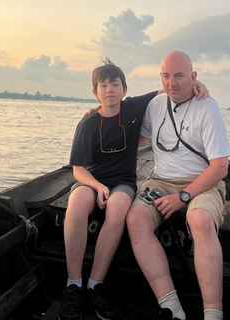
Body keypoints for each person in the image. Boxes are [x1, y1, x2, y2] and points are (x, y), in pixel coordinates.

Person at [58, 58, 208, 320]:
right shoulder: (88, 123)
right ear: (95, 93)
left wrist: (196, 84)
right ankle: (73, 284)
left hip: (123, 181)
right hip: (92, 180)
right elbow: (78, 169)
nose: (110, 90)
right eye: (103, 86)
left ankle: (95, 284)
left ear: (125, 89)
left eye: (115, 84)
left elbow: (169, 90)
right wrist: (97, 186)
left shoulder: (134, 107)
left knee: (118, 207)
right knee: (77, 204)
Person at [126, 51, 230, 320]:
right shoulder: (156, 105)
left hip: (203, 182)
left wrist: (183, 197)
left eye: (180, 76)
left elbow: (220, 167)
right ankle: (172, 309)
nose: (172, 83)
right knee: (136, 218)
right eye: (166, 76)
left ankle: (213, 314)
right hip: (161, 180)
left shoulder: (208, 107)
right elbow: (139, 139)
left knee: (200, 220)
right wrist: (100, 116)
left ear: (194, 77)